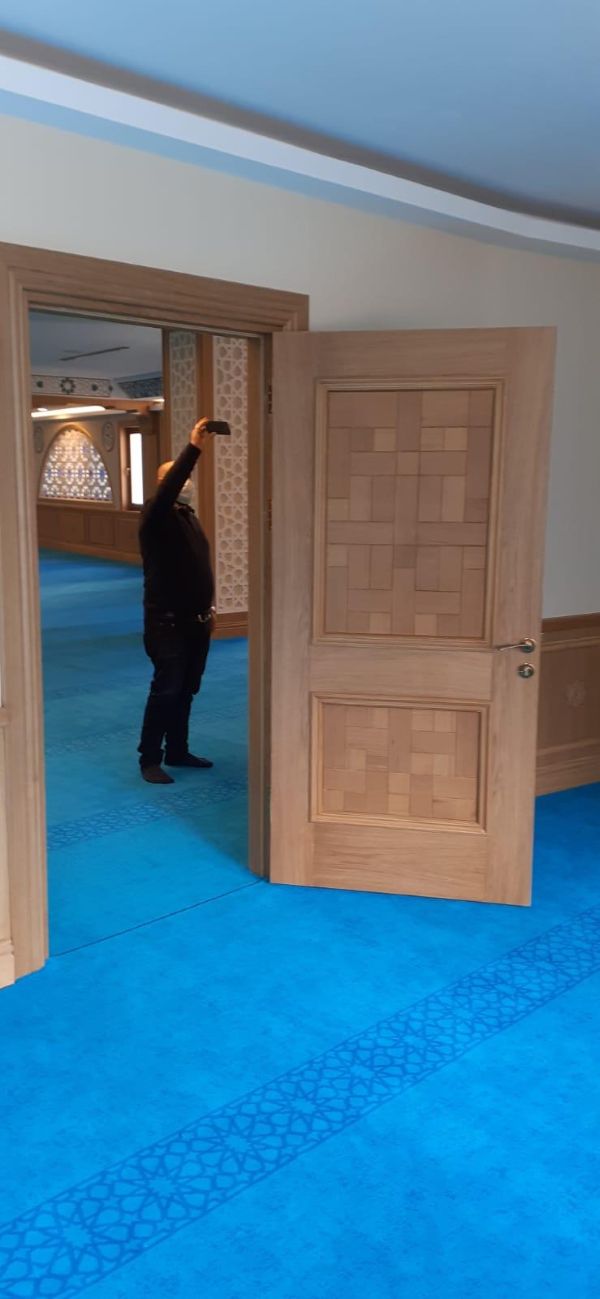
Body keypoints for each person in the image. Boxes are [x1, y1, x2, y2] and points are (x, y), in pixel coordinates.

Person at [138, 417, 216, 785]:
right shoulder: (155, 517)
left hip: (196, 622)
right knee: (166, 690)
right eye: (177, 479)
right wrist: (194, 449)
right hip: (166, 624)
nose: (186, 484)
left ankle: (178, 750)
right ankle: (150, 758)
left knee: (186, 689)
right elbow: (170, 488)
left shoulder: (188, 517)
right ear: (164, 485)